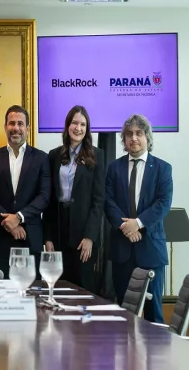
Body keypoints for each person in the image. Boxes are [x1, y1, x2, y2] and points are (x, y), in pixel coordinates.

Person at [105, 114, 172, 323]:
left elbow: (163, 203)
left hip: (151, 251)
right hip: (122, 251)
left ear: (147, 137)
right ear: (124, 139)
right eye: (129, 134)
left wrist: (138, 224)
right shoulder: (113, 168)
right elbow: (108, 201)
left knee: (154, 315)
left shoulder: (162, 168)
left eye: (139, 133)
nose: (134, 138)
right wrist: (126, 227)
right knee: (123, 315)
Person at [0, 105, 50, 278]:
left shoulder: (42, 158)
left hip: (30, 239)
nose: (16, 128)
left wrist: (19, 217)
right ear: (5, 127)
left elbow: (44, 196)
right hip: (0, 240)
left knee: (32, 292)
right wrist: (9, 223)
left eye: (20, 123)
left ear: (27, 128)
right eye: (11, 123)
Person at [43, 105, 105, 292]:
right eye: (74, 123)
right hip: (59, 229)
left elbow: (98, 200)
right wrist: (48, 237)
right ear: (67, 126)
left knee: (83, 288)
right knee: (58, 287)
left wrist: (90, 237)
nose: (78, 128)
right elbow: (49, 200)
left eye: (83, 124)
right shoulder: (54, 155)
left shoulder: (97, 155)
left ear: (87, 129)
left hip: (82, 233)